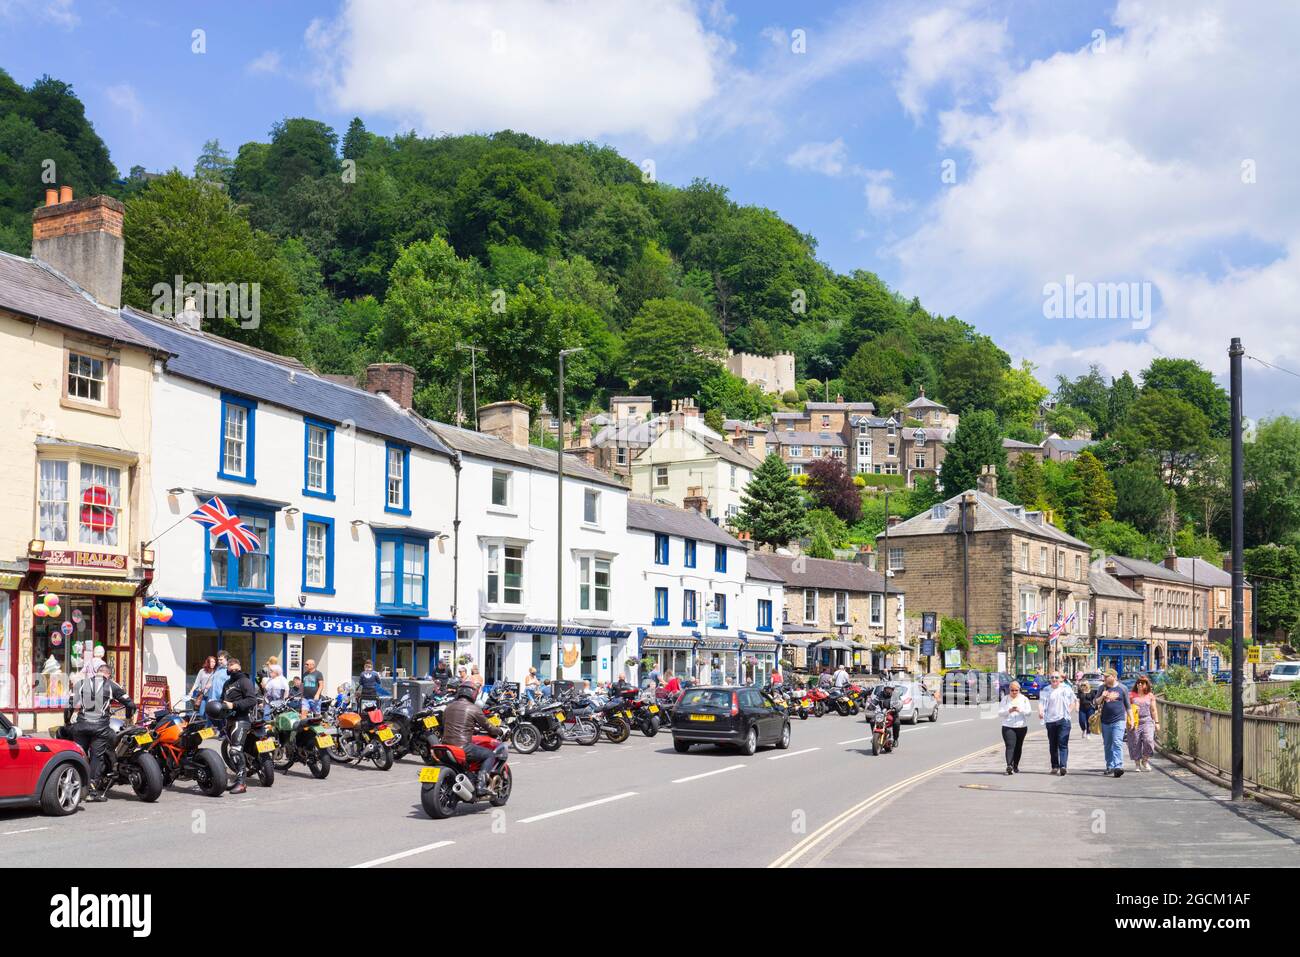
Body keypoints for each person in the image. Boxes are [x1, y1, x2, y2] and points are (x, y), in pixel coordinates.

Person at [70, 662, 134, 801]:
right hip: (100, 728)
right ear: (108, 674)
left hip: (81, 726)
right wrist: (128, 719)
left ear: (96, 672)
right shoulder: (111, 685)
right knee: (96, 757)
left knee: (79, 755)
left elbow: (70, 705)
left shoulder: (81, 683)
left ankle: (73, 788)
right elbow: (130, 704)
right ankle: (91, 792)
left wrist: (68, 721)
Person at [439, 681, 505, 795]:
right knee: (489, 755)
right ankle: (480, 785)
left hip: (445, 745)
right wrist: (500, 731)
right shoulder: (473, 709)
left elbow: (444, 725)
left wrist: (471, 729)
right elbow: (489, 727)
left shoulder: (448, 707)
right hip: (462, 746)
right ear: (473, 694)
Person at [217, 657, 259, 794]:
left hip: (241, 720)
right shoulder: (227, 684)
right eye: (231, 668)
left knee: (235, 750)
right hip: (229, 721)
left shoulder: (244, 681)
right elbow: (222, 700)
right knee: (233, 751)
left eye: (235, 668)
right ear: (227, 669)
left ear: (239, 668)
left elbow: (252, 700)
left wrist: (234, 705)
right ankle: (238, 780)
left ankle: (241, 784)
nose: (233, 670)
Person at [1038, 671, 1077, 775]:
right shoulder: (1045, 690)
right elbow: (1041, 703)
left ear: (1061, 679)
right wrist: (1041, 712)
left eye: (1056, 677)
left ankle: (1063, 766)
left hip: (1063, 720)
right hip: (1050, 721)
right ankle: (1055, 766)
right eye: (1052, 677)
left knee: (1062, 743)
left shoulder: (1066, 689)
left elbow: (1073, 701)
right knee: (1053, 744)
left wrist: (1068, 711)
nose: (1054, 679)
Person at [1097, 670, 1130, 777]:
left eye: (1107, 676)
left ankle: (1118, 766)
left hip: (1119, 720)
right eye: (1104, 677)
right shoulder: (1102, 688)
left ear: (1114, 677)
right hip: (1105, 721)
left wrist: (1132, 719)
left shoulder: (1122, 688)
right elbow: (1095, 702)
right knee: (1107, 744)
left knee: (1117, 742)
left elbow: (1128, 706)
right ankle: (1110, 766)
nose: (1104, 679)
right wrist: (1102, 696)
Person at [1127, 675, 1160, 771]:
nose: (1140, 684)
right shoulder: (1131, 695)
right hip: (1135, 721)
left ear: (1146, 685)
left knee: (1149, 741)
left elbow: (1153, 710)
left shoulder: (1150, 695)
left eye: (1142, 683)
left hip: (1147, 721)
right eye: (1138, 683)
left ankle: (1145, 760)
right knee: (1135, 742)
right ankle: (1137, 764)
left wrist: (1157, 722)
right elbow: (1127, 708)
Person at [1000, 681, 1031, 774]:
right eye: (1012, 690)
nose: (1014, 692)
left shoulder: (1024, 699)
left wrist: (1019, 710)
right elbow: (1000, 713)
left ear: (1019, 690)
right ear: (1009, 690)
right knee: (1010, 746)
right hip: (1008, 726)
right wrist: (1008, 710)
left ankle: (1015, 765)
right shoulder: (1005, 699)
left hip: (1021, 726)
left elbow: (1028, 713)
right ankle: (1009, 765)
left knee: (1018, 747)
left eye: (1016, 690)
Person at [870, 681, 901, 746]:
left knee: (896, 723)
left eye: (890, 689)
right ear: (884, 689)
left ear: (892, 689)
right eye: (887, 688)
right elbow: (875, 700)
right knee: (872, 721)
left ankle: (895, 739)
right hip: (882, 713)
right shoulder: (880, 694)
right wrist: (871, 705)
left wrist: (896, 708)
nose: (888, 690)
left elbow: (900, 703)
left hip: (892, 712)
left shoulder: (895, 695)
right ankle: (874, 736)